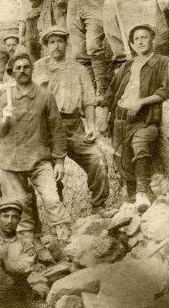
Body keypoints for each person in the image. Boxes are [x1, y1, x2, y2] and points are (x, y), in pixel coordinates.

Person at [33, 27, 115, 217]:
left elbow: (88, 101)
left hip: (74, 125)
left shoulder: (78, 69)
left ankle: (99, 206)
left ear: (66, 44)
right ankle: (59, 217)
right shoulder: (38, 70)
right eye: (51, 42)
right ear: (46, 46)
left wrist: (92, 126)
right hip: (47, 127)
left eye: (60, 41)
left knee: (97, 159)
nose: (56, 45)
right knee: (52, 172)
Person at [0, 53, 72, 242]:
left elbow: (57, 129)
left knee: (52, 198)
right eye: (18, 68)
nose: (22, 71)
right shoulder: (5, 98)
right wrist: (5, 119)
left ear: (32, 69)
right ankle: (31, 243)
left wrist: (60, 161)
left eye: (26, 67)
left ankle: (64, 236)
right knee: (21, 204)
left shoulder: (45, 96)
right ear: (12, 72)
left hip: (39, 158)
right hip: (10, 161)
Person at [98, 24, 169, 213]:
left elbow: (165, 90)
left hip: (143, 119)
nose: (140, 41)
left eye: (144, 37)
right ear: (131, 43)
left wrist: (141, 102)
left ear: (152, 39)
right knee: (121, 159)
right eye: (136, 39)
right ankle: (132, 202)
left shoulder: (162, 62)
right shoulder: (127, 65)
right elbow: (111, 92)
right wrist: (104, 117)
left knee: (140, 147)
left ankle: (142, 194)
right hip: (119, 119)